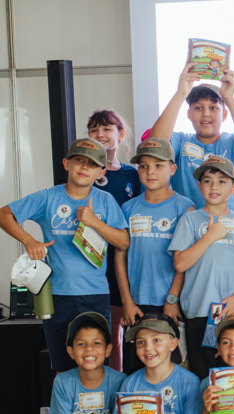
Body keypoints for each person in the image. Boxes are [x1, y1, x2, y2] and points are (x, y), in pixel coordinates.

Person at [0, 138, 129, 373]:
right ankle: (65, 409)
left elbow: (123, 241)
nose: (84, 167)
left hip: (95, 293)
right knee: (62, 363)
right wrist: (29, 240)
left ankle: (96, 409)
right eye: (79, 160)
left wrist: (94, 222)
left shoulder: (105, 200)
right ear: (66, 163)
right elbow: (2, 214)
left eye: (92, 164)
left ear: (101, 172)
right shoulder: (48, 197)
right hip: (56, 294)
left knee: (96, 364)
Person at [167, 156, 234, 379]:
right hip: (199, 310)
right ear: (199, 187)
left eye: (221, 181)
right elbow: (180, 263)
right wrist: (210, 236)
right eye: (208, 181)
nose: (214, 186)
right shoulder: (189, 220)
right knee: (203, 374)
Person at [117, 137, 193, 374]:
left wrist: (172, 299)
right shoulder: (128, 208)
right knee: (136, 370)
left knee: (173, 369)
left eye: (158, 165)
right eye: (144, 166)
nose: (150, 172)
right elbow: (120, 256)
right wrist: (127, 301)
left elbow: (185, 261)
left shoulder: (185, 207)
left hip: (171, 303)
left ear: (172, 169)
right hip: (137, 303)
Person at [150, 65, 234, 214]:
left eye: (213, 108)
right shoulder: (181, 140)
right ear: (189, 114)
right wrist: (181, 93)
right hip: (190, 231)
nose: (205, 114)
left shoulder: (233, 141)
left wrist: (229, 98)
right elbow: (155, 146)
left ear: (224, 115)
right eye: (198, 108)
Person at [87, 109, 142, 370]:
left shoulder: (133, 174)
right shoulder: (84, 172)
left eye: (107, 129)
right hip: (94, 262)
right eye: (94, 130)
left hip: (129, 262)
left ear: (121, 134)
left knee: (126, 335)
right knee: (105, 336)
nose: (100, 134)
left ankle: (124, 389)